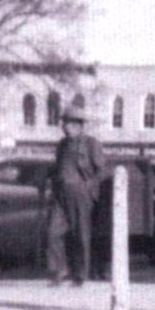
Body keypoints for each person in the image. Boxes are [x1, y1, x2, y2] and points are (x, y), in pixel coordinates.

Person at [47, 109, 106, 286]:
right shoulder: (62, 145)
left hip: (81, 195)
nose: (65, 127)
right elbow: (58, 168)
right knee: (53, 233)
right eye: (64, 123)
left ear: (79, 126)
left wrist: (88, 187)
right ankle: (60, 271)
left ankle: (80, 275)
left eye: (69, 123)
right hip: (60, 195)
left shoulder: (90, 144)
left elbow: (102, 170)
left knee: (81, 234)